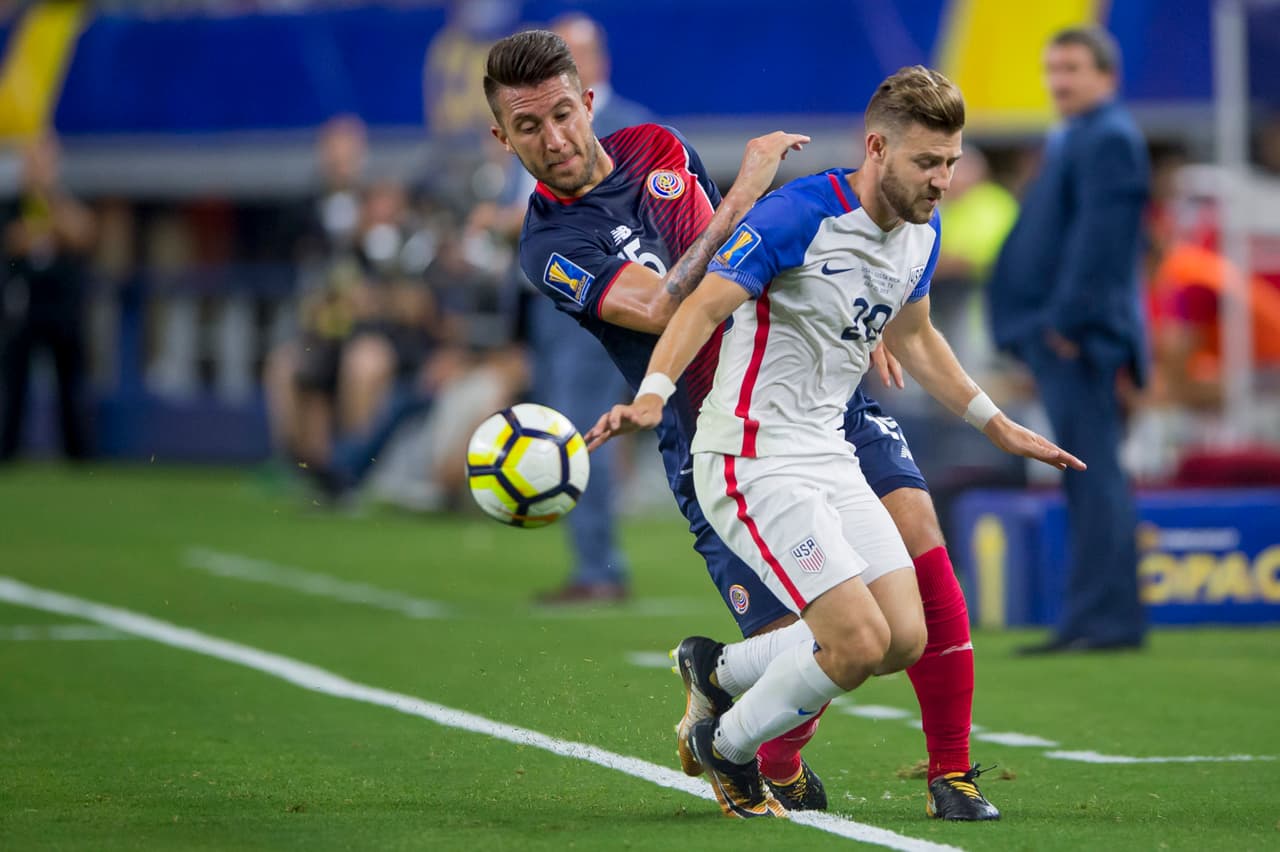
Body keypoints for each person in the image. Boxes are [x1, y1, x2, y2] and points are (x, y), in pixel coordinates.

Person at [486, 32, 1005, 819]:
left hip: (813, 391)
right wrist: (745, 191)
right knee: (823, 636)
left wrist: (859, 318)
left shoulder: (655, 145)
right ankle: (742, 714)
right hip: (714, 430)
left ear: (588, 101)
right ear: (503, 137)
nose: (553, 139)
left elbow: (750, 258)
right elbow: (665, 304)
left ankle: (952, 771)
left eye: (562, 113)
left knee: (917, 537)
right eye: (529, 128)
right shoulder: (550, 243)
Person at [586, 65, 1084, 820]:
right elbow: (698, 309)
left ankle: (717, 669)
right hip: (750, 459)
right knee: (851, 645)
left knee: (903, 638)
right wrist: (651, 396)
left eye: (951, 162)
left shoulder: (922, 228)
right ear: (877, 147)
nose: (943, 180)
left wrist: (996, 422)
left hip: (829, 456)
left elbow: (915, 336)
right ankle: (731, 745)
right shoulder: (796, 215)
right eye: (927, 162)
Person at [473, 12, 656, 603]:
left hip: (601, 302)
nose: (552, 135)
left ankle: (600, 568)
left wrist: (509, 224)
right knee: (572, 427)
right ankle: (594, 562)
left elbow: (627, 217)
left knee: (581, 431)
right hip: (548, 306)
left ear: (591, 72)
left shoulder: (630, 126)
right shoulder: (530, 126)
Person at [987, 27, 1150, 654]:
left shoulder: (1108, 138)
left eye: (1073, 69)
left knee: (1094, 475)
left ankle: (1106, 622)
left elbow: (1104, 243)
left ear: (1107, 77)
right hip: (1069, 335)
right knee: (1087, 477)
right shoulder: (1083, 135)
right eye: (1053, 69)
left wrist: (1067, 324)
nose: (1060, 81)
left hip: (1080, 340)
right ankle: (1093, 619)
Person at [1, 133, 97, 462]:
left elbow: (82, 233)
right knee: (14, 386)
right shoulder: (13, 203)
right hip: (23, 306)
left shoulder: (65, 199)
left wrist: (50, 209)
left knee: (71, 386)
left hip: (62, 307)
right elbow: (14, 241)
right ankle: (8, 452)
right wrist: (44, 226)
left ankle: (79, 456)